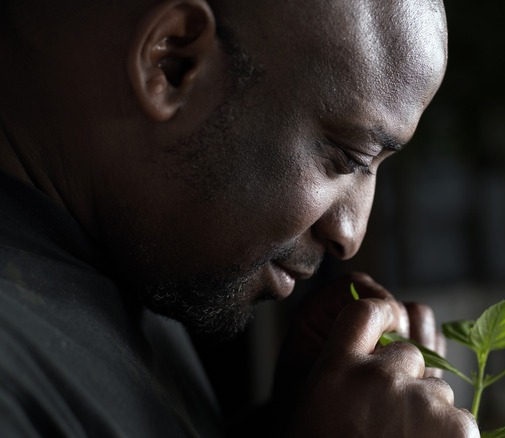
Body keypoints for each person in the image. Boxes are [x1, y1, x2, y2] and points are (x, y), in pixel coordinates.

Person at [0, 0, 479, 436]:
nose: (348, 235)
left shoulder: (118, 261)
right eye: (347, 157)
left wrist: (293, 422)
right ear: (172, 65)